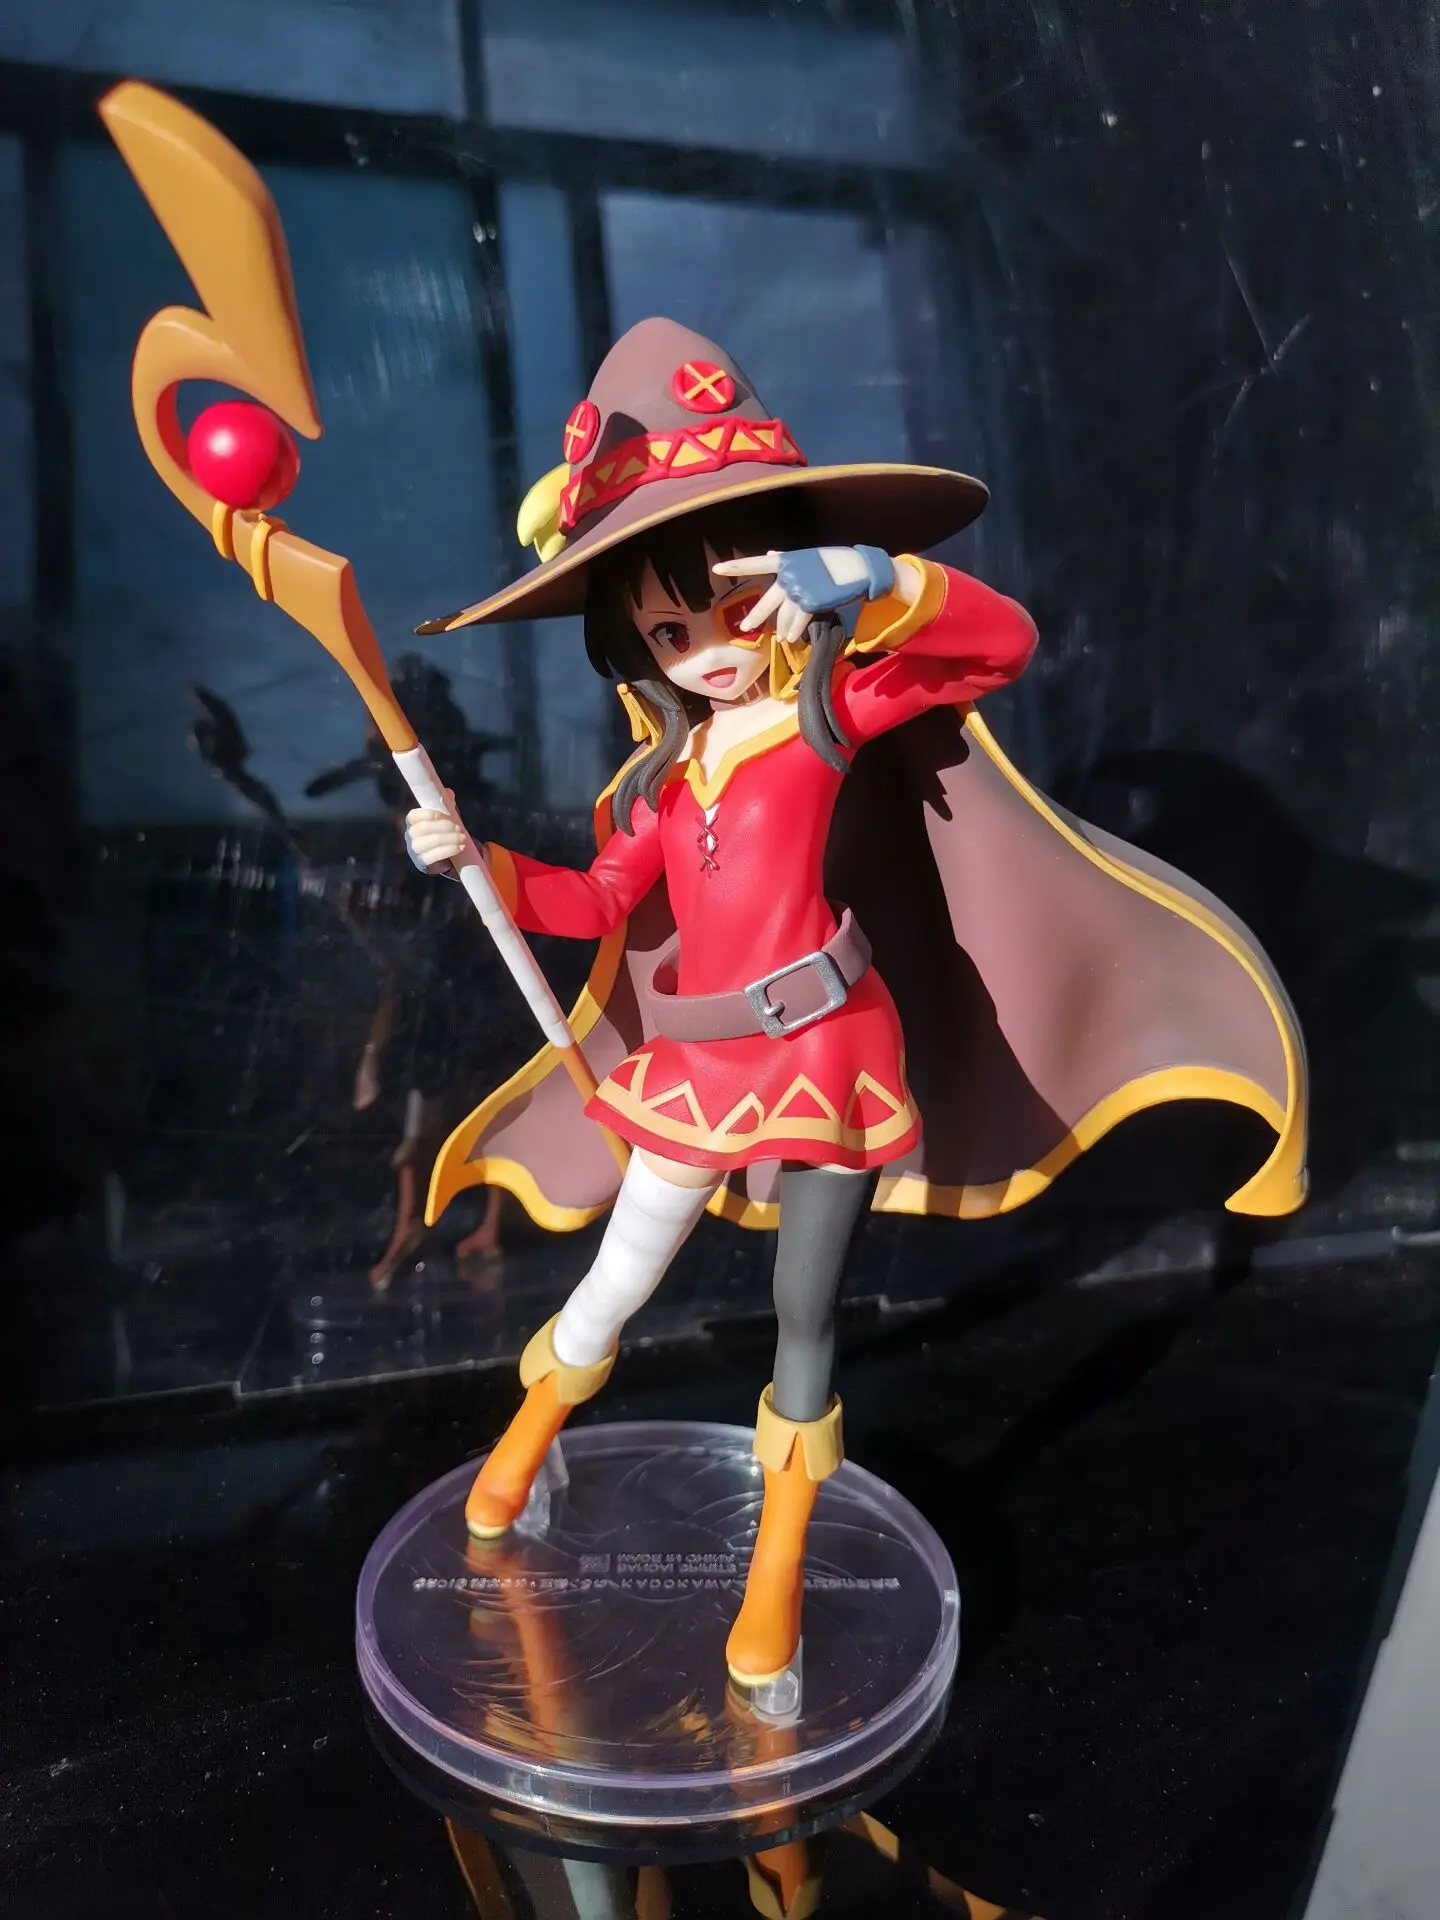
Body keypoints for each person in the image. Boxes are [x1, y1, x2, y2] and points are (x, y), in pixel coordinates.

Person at [405, 318, 1307, 1688]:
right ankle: (517, 1455)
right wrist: (478, 861)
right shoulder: (664, 784)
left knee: (802, 1307)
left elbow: (999, 644)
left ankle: (774, 1571)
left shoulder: (826, 716)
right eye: (668, 628)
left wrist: (877, 578)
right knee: (619, 1276)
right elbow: (590, 902)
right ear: (634, 643)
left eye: (725, 607)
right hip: (698, 1064)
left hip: (825, 1048)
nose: (707, 647)